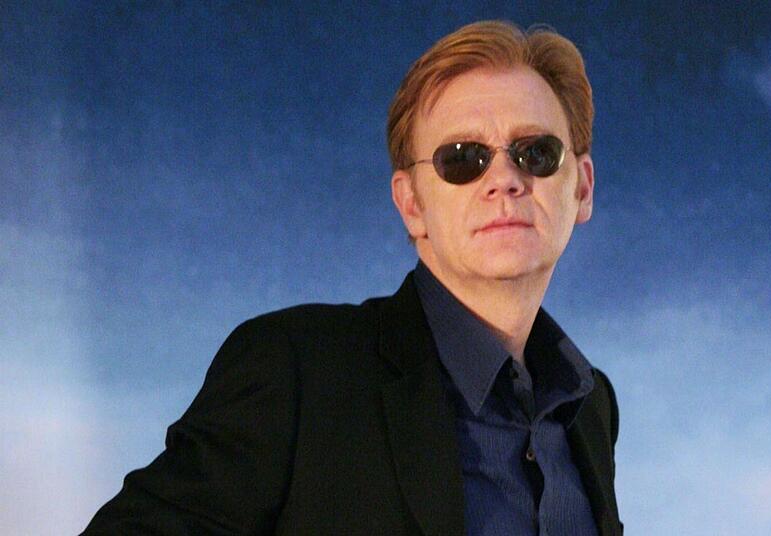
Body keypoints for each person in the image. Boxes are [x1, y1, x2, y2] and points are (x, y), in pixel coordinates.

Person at [82, 20, 622, 536]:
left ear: (582, 188)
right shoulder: (296, 371)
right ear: (411, 204)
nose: (504, 179)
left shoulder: (591, 406)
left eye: (536, 153)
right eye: (462, 159)